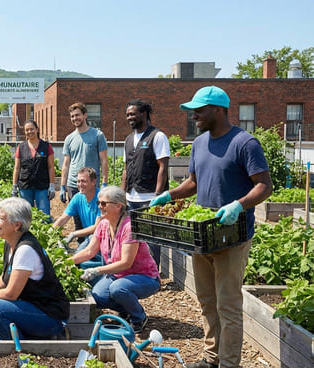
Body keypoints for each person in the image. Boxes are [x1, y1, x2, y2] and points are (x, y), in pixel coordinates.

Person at [151, 86, 272, 368]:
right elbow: (193, 182)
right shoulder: (199, 143)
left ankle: (229, 363)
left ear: (218, 109)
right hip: (203, 235)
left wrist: (238, 205)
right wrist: (170, 194)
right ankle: (211, 357)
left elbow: (265, 186)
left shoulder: (245, 143)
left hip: (233, 234)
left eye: (200, 110)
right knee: (207, 300)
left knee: (228, 305)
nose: (194, 116)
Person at [0, 197, 70, 340]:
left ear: (17, 225)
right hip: (32, 309)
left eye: (1, 218)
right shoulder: (11, 243)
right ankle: (33, 339)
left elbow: (11, 294)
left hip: (50, 316)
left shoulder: (25, 249)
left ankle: (32, 347)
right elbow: (4, 278)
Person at [71, 186, 160, 333]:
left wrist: (96, 270)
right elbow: (89, 251)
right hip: (118, 276)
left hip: (145, 277)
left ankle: (139, 317)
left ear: (118, 206)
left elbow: (126, 263)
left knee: (118, 289)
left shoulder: (129, 227)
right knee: (97, 296)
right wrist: (67, 262)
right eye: (99, 203)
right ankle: (126, 310)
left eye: (104, 203)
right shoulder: (103, 224)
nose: (100, 206)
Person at [120, 99, 170, 268]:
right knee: (134, 235)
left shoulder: (157, 136)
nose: (129, 118)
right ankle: (139, 269)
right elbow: (126, 169)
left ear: (144, 114)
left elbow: (163, 166)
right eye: (127, 115)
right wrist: (121, 196)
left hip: (150, 196)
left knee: (152, 238)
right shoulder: (128, 140)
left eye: (133, 114)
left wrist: (157, 195)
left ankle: (153, 272)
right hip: (131, 196)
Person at [60, 102, 109, 238]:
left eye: (77, 115)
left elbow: (104, 160)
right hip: (74, 184)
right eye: (72, 116)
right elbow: (66, 163)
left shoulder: (97, 135)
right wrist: (63, 186)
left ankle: (95, 248)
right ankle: (82, 248)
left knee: (96, 219)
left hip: (92, 183)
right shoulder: (69, 138)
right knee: (78, 220)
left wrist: (104, 183)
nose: (75, 118)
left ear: (85, 115)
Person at [12, 120, 56, 219]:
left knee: (44, 215)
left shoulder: (46, 146)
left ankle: (45, 233)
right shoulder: (21, 147)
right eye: (27, 130)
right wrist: (14, 186)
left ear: (37, 129)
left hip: (42, 186)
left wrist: (52, 185)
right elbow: (17, 167)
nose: (29, 132)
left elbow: (51, 167)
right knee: (26, 215)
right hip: (25, 186)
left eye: (32, 129)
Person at [53, 167, 101, 254]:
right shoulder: (78, 197)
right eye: (78, 181)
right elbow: (63, 218)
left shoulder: (101, 198)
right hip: (89, 237)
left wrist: (74, 234)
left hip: (102, 237)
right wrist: (50, 232)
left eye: (84, 181)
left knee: (79, 257)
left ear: (94, 182)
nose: (80, 184)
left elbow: (97, 227)